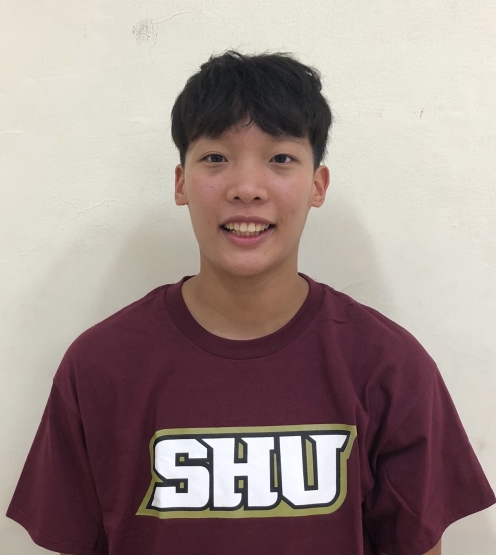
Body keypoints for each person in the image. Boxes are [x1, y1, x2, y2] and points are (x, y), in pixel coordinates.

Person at [6, 50, 495, 555]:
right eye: (216, 158)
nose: (246, 189)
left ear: (317, 186)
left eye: (280, 158)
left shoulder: (390, 366)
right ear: (180, 183)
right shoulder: (99, 366)